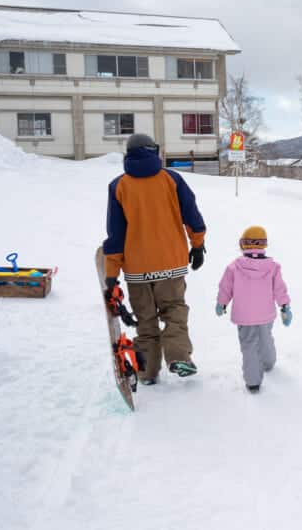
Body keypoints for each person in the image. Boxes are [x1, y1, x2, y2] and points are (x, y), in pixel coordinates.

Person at [103, 134, 206, 384]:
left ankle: (146, 370)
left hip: (137, 269)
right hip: (170, 264)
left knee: (145, 320)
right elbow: (192, 216)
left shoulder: (119, 186)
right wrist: (197, 245)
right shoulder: (172, 179)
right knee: (174, 312)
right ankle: (179, 356)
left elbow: (115, 234)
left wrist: (111, 273)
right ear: (154, 150)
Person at [215, 226, 292, 393]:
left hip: (244, 316)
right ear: (264, 245)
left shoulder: (234, 267)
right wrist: (285, 307)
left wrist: (221, 303)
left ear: (243, 244)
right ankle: (268, 362)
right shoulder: (273, 267)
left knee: (249, 345)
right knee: (265, 337)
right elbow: (280, 289)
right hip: (265, 314)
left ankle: (253, 381)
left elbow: (225, 288)